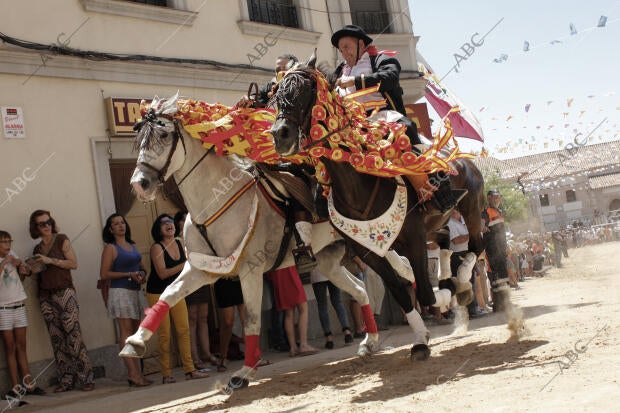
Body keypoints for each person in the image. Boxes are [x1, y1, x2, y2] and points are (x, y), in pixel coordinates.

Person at [330, 24, 465, 214]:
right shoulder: (340, 70)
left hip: (382, 115)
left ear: (361, 44)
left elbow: (390, 76)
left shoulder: (380, 59)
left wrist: (356, 81)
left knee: (406, 130)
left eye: (347, 46)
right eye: (341, 49)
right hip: (353, 123)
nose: (344, 52)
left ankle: (433, 192)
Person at [29, 210, 95, 392]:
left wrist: (50, 260)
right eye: (42, 224)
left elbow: (73, 263)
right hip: (45, 296)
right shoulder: (37, 249)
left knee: (73, 335)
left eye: (48, 222)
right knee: (57, 340)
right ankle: (66, 380)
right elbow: (38, 274)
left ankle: (86, 377)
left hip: (65, 292)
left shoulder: (62, 239)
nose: (46, 226)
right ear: (36, 228)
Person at [145, 214, 208, 383]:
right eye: (164, 223)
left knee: (183, 330)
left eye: (170, 222)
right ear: (158, 229)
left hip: (175, 291)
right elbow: (163, 273)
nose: (169, 224)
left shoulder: (180, 242)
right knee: (165, 334)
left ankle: (190, 370)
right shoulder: (156, 248)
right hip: (157, 294)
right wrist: (186, 264)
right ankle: (166, 374)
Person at [99, 214, 151, 387]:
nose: (120, 225)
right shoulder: (110, 248)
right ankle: (133, 374)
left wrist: (142, 275)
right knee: (126, 331)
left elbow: (142, 268)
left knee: (137, 333)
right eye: (116, 223)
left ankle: (138, 373)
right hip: (120, 291)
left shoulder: (133, 245)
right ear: (110, 229)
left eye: (122, 222)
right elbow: (104, 274)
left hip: (136, 291)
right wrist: (129, 274)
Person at [0, 230, 46, 400]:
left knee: (22, 346)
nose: (7, 245)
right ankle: (14, 387)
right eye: (3, 242)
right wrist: (6, 261)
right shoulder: (6, 258)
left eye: (9, 241)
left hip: (19, 304)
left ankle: (29, 384)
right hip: (3, 308)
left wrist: (23, 268)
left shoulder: (12, 253)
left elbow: (21, 276)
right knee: (9, 347)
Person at [176, 211, 219, 371]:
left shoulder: (198, 237)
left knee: (203, 317)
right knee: (192, 319)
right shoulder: (178, 241)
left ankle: (207, 353)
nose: (184, 222)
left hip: (202, 280)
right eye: (181, 220)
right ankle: (194, 356)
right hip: (189, 281)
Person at [265, 266, 318, 357]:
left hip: (277, 275)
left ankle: (293, 347)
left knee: (289, 313)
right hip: (289, 271)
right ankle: (303, 344)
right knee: (303, 308)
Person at [310, 267, 353, 349]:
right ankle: (347, 333)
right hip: (333, 271)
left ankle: (329, 339)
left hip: (317, 273)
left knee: (322, 306)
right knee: (338, 302)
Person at [481, 190, 510, 312]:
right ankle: (499, 304)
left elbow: (501, 232)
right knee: (496, 276)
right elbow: (482, 227)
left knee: (503, 275)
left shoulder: (499, 212)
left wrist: (506, 245)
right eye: (495, 197)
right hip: (492, 249)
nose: (498, 199)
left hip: (501, 248)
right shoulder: (485, 211)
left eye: (499, 197)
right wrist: (483, 227)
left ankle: (505, 302)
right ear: (489, 198)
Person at [213, 277, 246, 372]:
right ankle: (223, 356)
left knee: (246, 319)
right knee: (228, 322)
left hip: (240, 278)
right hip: (223, 279)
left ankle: (253, 355)